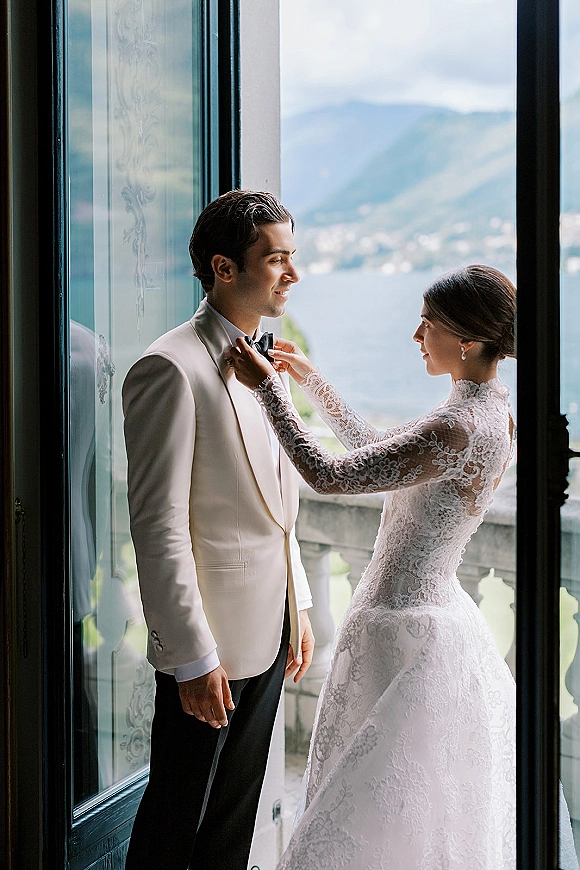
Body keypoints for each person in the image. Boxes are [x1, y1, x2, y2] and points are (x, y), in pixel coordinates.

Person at [229, 264, 578, 869]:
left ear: (464, 337)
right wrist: (314, 383)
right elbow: (379, 455)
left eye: (426, 325)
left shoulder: (458, 427)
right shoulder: (488, 414)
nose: (416, 337)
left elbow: (333, 474)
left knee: (369, 810)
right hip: (425, 615)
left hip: (402, 625)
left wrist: (268, 393)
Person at [122, 189, 314, 870]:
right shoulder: (168, 367)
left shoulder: (267, 363)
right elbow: (158, 524)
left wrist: (300, 605)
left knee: (235, 818)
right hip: (210, 642)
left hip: (270, 623)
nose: (292, 273)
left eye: (294, 257)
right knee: (177, 822)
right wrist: (192, 654)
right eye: (277, 259)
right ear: (224, 268)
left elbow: (276, 496)